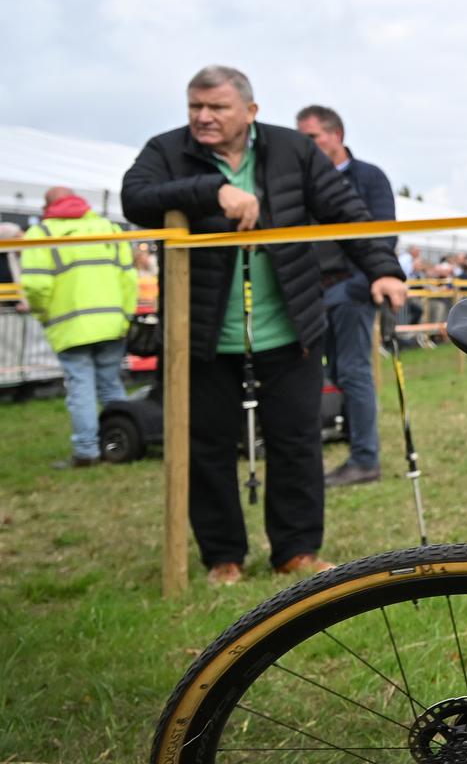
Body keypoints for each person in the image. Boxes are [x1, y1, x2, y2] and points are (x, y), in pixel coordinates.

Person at [122, 65, 408, 586]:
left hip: (291, 325)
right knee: (207, 446)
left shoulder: (292, 150)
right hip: (203, 333)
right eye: (195, 107)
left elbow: (346, 211)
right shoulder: (166, 150)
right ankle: (222, 556)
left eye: (217, 108)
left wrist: (383, 269)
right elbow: (134, 198)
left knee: (297, 439)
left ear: (250, 111)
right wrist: (213, 191)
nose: (203, 118)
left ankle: (295, 550)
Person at [295, 104, 396, 488]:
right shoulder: (304, 181)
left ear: (335, 135)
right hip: (316, 291)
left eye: (311, 137)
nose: (305, 145)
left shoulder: (368, 177)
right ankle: (354, 445)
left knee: (354, 371)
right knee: (335, 372)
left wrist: (362, 282)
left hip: (351, 288)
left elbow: (383, 233)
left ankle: (365, 459)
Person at [18, 188, 137, 468]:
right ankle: (125, 442)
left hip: (70, 325)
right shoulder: (108, 228)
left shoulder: (42, 234)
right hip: (111, 322)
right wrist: (125, 315)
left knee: (80, 386)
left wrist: (43, 312)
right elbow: (128, 278)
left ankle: (87, 451)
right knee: (111, 384)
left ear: (47, 206)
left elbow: (36, 286)